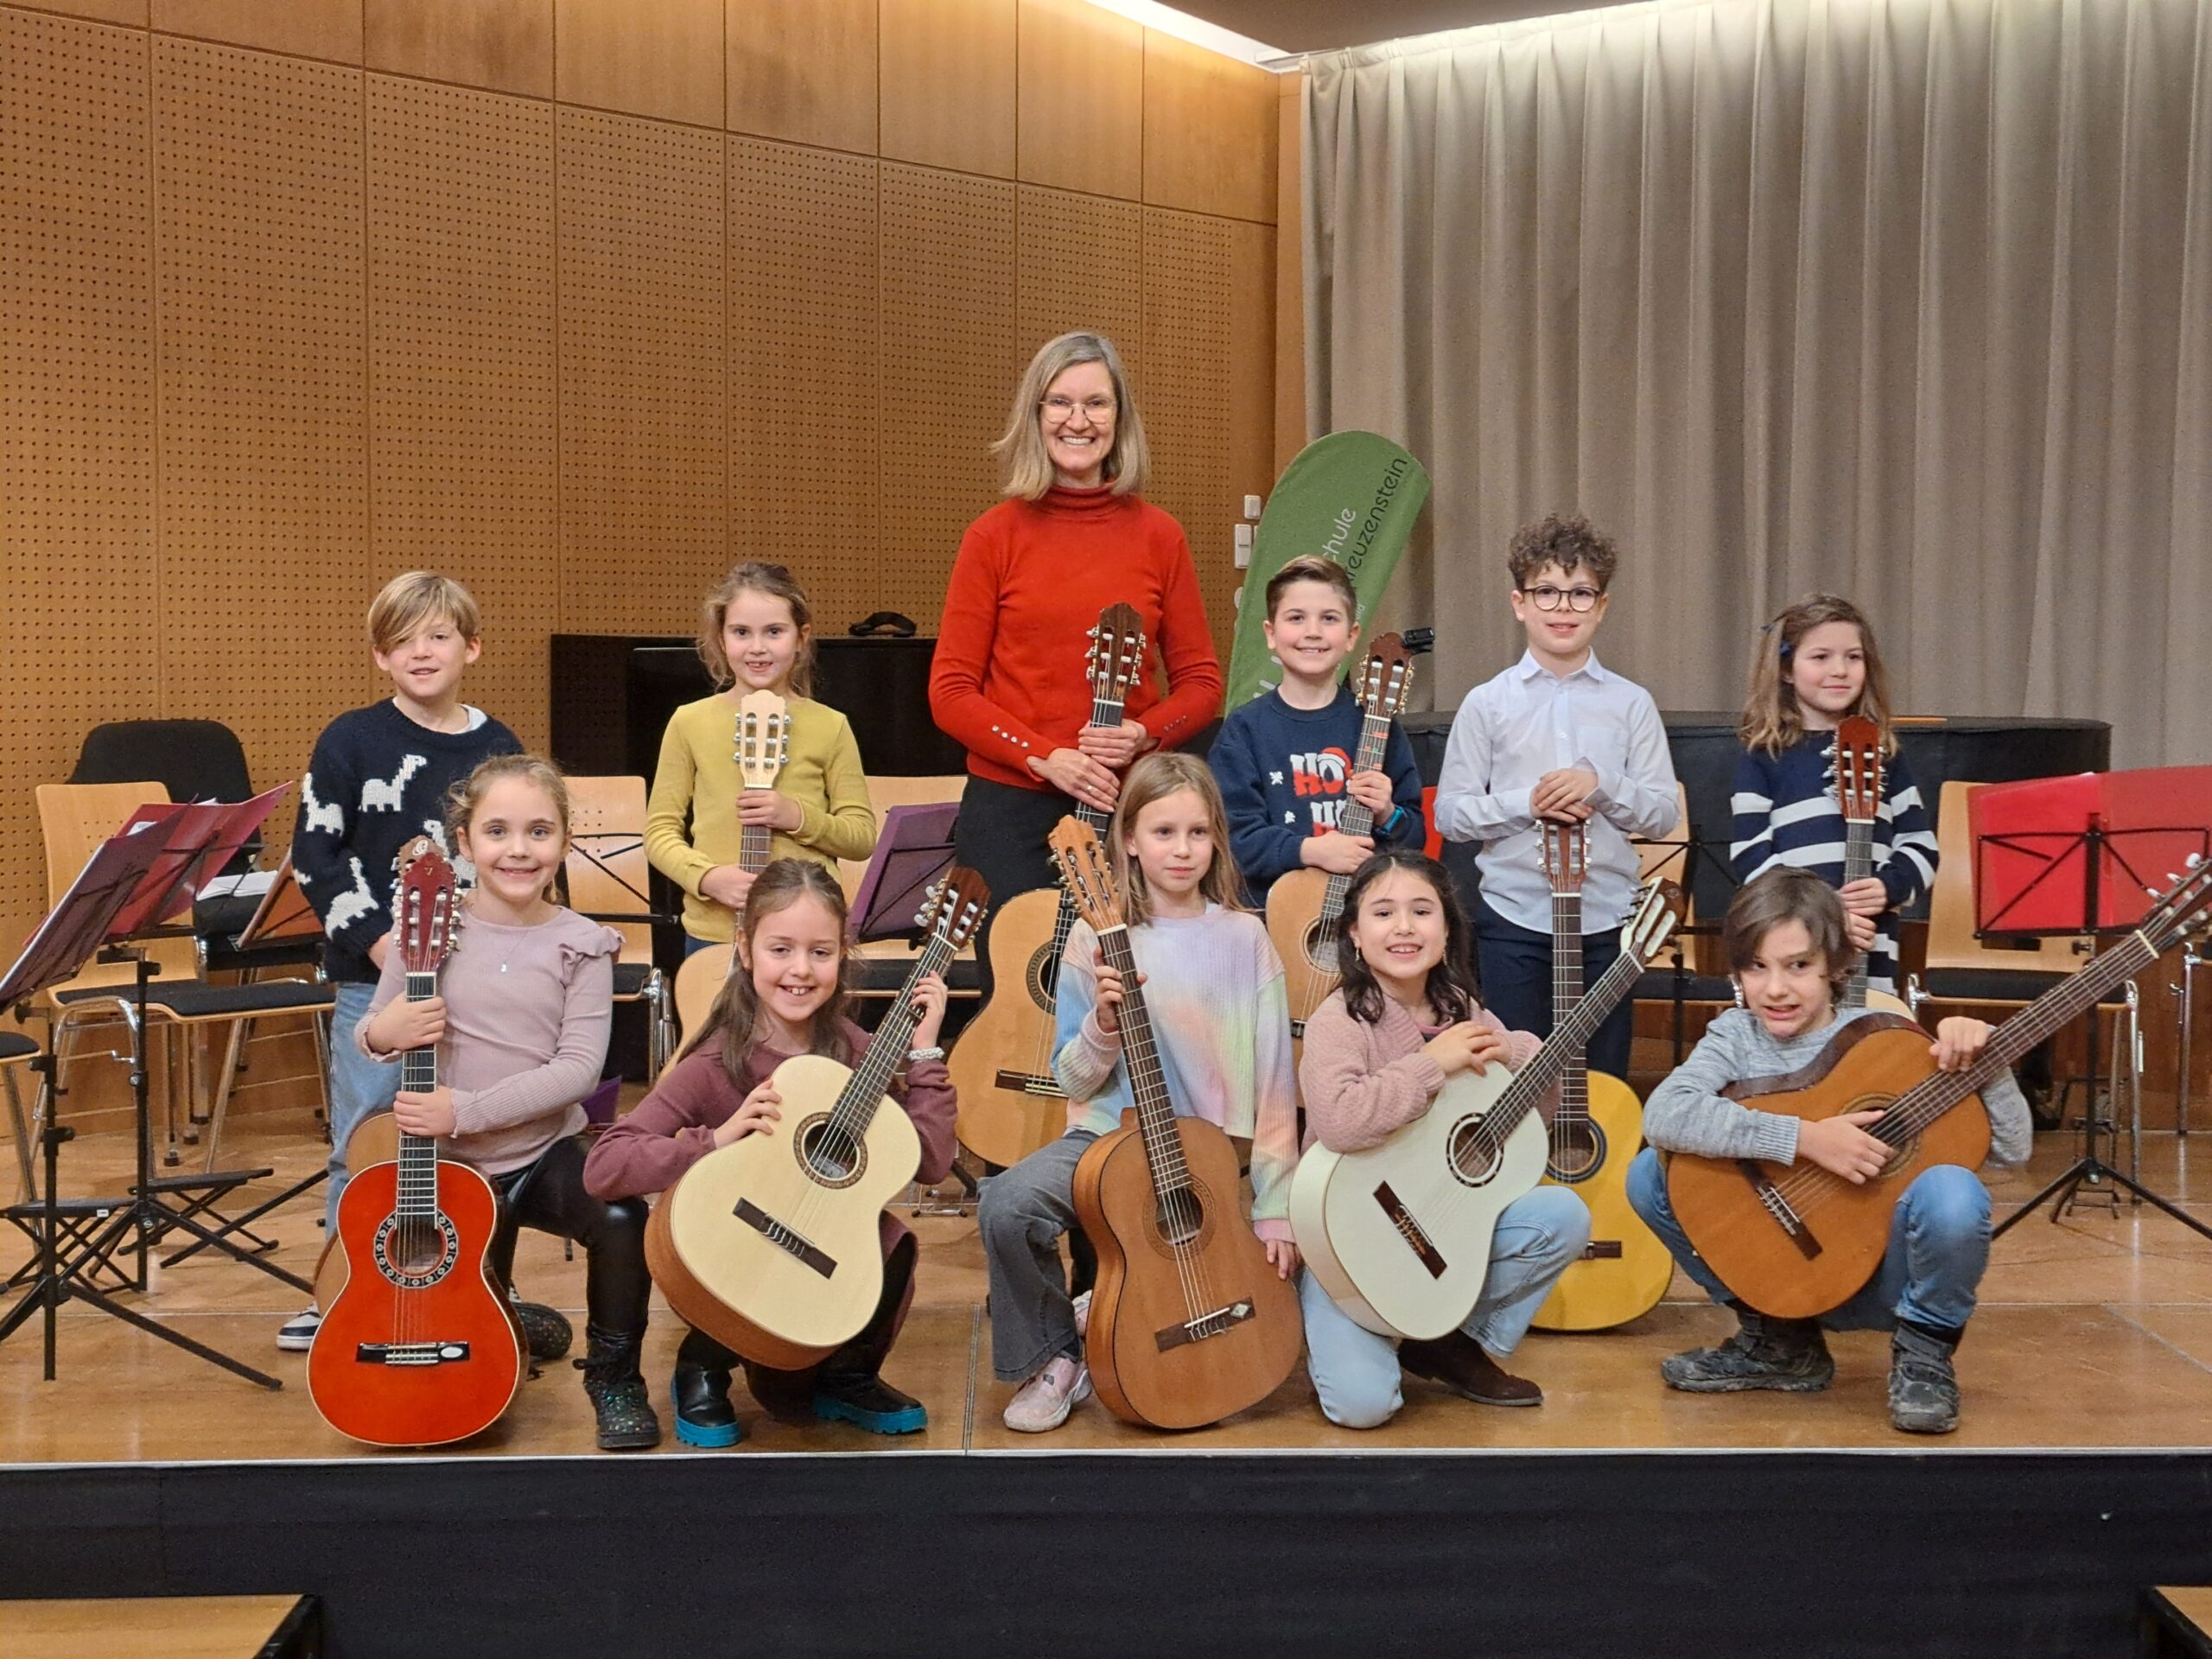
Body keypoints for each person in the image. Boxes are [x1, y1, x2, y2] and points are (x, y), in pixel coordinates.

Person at [1624, 868, 2031, 1433]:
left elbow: (2013, 1150)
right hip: (1783, 1267)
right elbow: (1664, 1114)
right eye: (1757, 967)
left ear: (1837, 965)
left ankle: (1923, 1358)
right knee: (1651, 1173)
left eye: (1798, 966)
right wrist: (1807, 1140)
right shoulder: (1737, 1035)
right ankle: (1779, 1343)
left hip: (1885, 1275)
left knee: (1954, 1191)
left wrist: (1989, 1064)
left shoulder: (1885, 1037)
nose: (1776, 989)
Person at [976, 753, 1297, 1433]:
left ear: (1217, 839)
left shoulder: (1246, 939)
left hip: (1210, 1158)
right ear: (1126, 839)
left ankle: (1114, 1316)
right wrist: (1100, 1028)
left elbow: (1275, 1084)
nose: (1182, 850)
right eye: (1163, 832)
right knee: (1006, 1205)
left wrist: (1274, 1208)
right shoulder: (1096, 937)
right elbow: (1071, 1078)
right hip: (1109, 1140)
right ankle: (1057, 1354)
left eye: (1198, 833)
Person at [584, 860, 954, 1445]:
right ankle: (702, 1364)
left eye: (821, 952)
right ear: (746, 949)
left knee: (890, 1240)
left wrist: (926, 1055)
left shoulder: (860, 1052)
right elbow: (605, 1166)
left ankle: (846, 1376)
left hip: (814, 1264)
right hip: (736, 1253)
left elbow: (930, 1162)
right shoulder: (715, 1061)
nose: (801, 970)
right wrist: (716, 1140)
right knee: (736, 1251)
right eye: (781, 949)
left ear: (844, 954)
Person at [353, 755, 658, 1449]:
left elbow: (578, 1069)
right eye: (497, 831)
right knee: (446, 1306)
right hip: (444, 1168)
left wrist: (466, 1110)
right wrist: (383, 1032)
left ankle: (614, 1377)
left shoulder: (581, 945)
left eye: (539, 831)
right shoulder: (425, 927)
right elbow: (373, 1031)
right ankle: (509, 1314)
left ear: (565, 842)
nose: (518, 850)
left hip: (538, 1155)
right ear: (464, 843)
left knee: (620, 1218)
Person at [929, 331, 1224, 990]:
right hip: (1012, 810)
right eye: (1059, 402)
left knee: (1129, 997)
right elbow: (949, 691)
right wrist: (1045, 755)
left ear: (1120, 419)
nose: (1077, 420)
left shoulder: (1160, 536)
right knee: (1012, 997)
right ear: (1035, 416)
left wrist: (1144, 735)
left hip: (1126, 807)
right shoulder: (992, 536)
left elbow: (1202, 684)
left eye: (1096, 403)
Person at [282, 571, 523, 1353]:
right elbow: (316, 854)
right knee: (365, 1133)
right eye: (404, 640)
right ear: (381, 656)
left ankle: (473, 1287)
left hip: (472, 982)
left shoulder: (497, 746)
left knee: (470, 1135)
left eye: (439, 636)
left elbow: (510, 851)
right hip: (371, 979)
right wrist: (384, 946)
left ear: (471, 648)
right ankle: (338, 1294)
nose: (423, 651)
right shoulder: (350, 739)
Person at [1295, 851, 1590, 1426]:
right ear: (1354, 935)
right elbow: (1339, 1121)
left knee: (1562, 1215)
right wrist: (1430, 1065)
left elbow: (1535, 1116)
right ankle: (1356, 1332)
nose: (1404, 927)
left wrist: (1515, 1050)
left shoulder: (1464, 1009)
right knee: (1364, 1408)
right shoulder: (1340, 1019)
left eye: (1422, 911)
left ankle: (1448, 1341)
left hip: (1442, 1228)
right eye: (1383, 912)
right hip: (1352, 1241)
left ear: (1447, 929)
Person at [1432, 514, 1679, 1080]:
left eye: (1579, 593)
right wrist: (1528, 802)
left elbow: (1663, 813)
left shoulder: (1632, 703)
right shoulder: (1487, 703)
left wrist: (1604, 786)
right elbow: (1452, 813)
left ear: (1602, 605)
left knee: (1603, 1083)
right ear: (1520, 602)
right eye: (1547, 591)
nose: (1563, 607)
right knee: (1515, 1076)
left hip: (1607, 920)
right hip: (1514, 919)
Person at [645, 562, 875, 953]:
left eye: (774, 632)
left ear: (801, 637)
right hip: (714, 932)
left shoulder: (831, 725)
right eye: (741, 632)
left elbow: (861, 837)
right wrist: (707, 877)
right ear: (721, 638)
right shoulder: (690, 721)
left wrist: (797, 817)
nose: (757, 648)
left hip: (805, 932)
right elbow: (659, 832)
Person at [1731, 593, 1938, 1001]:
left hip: (1870, 940)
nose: (1840, 671)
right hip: (1793, 942)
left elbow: (1921, 845)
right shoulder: (1764, 755)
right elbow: (1750, 855)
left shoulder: (1886, 753)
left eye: (1854, 657)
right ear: (1787, 670)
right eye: (1821, 657)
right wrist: (1818, 911)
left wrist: (1888, 886)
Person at [1208, 555, 1426, 905]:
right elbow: (1232, 837)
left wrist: (1387, 812)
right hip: (1274, 918)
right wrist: (1309, 850)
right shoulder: (1245, 729)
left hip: (1364, 919)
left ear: (1352, 635)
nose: (1313, 632)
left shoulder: (1378, 722)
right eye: (1296, 618)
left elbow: (1414, 837)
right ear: (1271, 633)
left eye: (1329, 619)